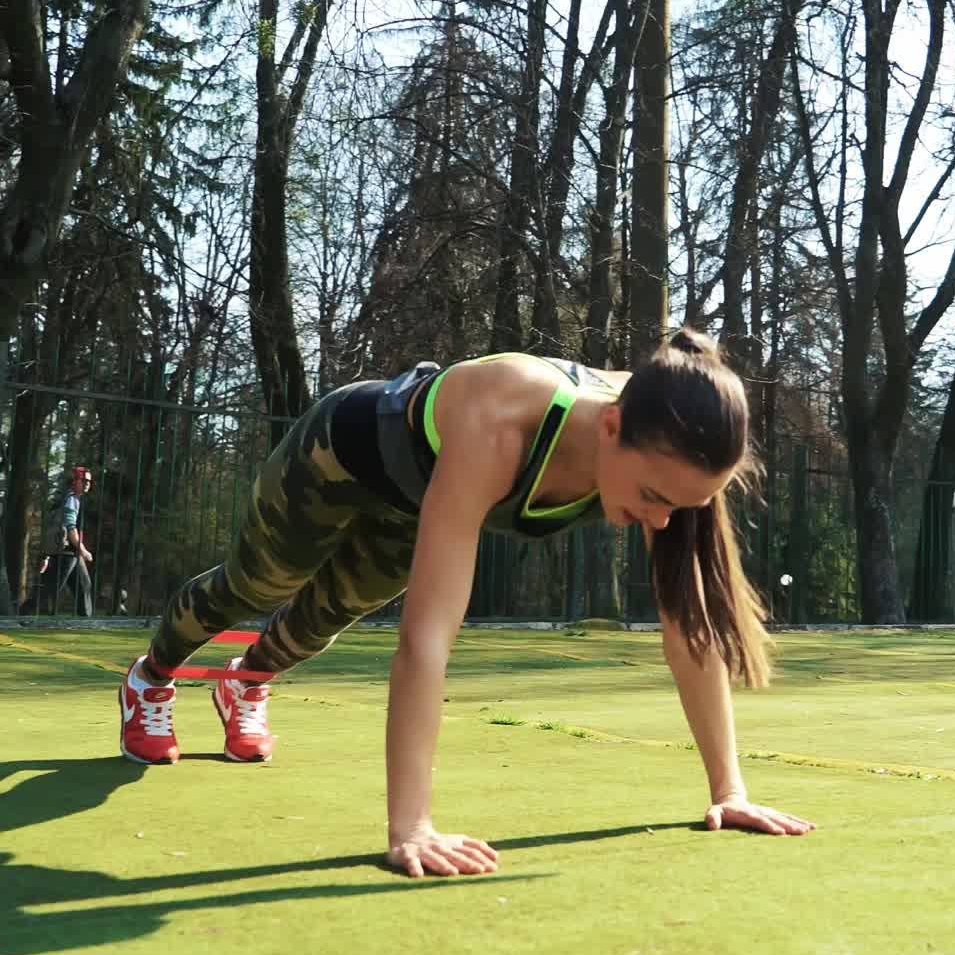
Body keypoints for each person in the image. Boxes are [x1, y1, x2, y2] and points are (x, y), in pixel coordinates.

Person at [117, 329, 815, 876]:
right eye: (656, 500)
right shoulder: (504, 416)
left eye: (682, 506)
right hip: (342, 454)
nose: (663, 521)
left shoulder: (678, 447)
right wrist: (411, 828)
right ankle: (153, 674)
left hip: (418, 501)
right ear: (609, 429)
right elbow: (426, 639)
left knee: (325, 616)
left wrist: (730, 791)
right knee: (259, 585)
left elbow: (689, 631)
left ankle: (250, 682)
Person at [22, 466, 94, 617]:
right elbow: (70, 528)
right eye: (84, 480)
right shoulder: (72, 499)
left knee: (84, 585)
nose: (87, 483)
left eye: (89, 481)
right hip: (66, 553)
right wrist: (83, 550)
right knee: (49, 588)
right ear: (74, 481)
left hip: (70, 553)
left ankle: (85, 622)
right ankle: (22, 615)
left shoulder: (64, 498)